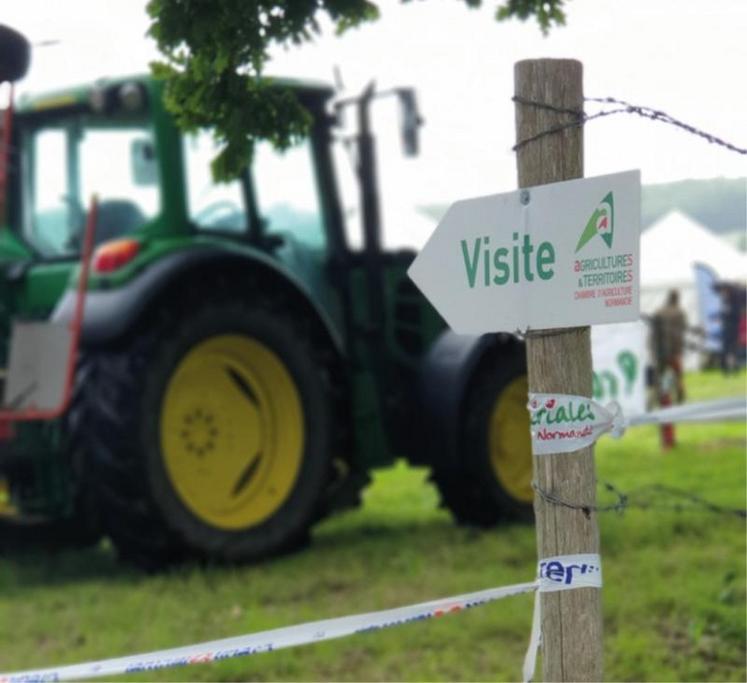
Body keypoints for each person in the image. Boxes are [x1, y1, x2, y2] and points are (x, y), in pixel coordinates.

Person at [651, 289, 687, 404]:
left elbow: (654, 334)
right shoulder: (679, 312)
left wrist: (653, 350)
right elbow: (683, 330)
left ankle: (658, 398)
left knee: (660, 377)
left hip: (661, 350)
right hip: (675, 351)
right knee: (678, 376)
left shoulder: (658, 312)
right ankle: (680, 397)